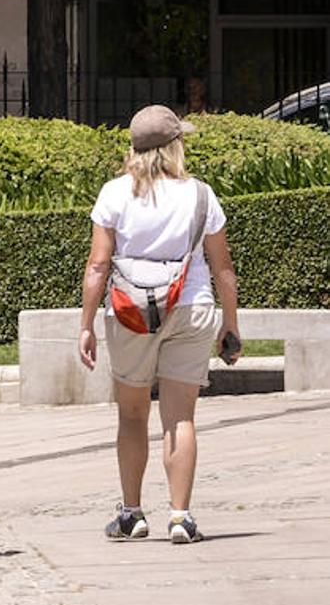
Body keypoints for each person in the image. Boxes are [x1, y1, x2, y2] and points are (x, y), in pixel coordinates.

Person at [78, 104, 241, 544]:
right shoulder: (200, 195)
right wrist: (230, 323)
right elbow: (223, 267)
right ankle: (180, 516)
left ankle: (131, 514)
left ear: (134, 148)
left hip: (130, 310)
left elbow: (97, 265)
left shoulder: (114, 193)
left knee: (132, 414)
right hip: (191, 305)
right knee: (180, 416)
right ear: (174, 147)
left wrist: (87, 323)